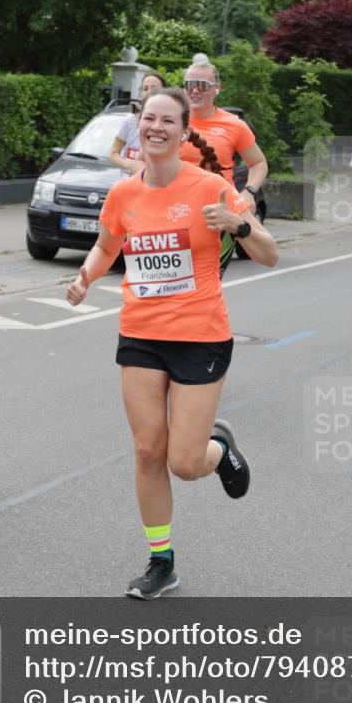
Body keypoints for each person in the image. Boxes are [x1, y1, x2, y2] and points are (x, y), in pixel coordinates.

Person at [66, 88, 278, 598]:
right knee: (146, 451)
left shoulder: (210, 188)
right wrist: (87, 276)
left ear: (185, 133)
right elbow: (106, 242)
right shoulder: (123, 194)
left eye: (168, 121)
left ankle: (219, 449)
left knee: (184, 463)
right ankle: (162, 561)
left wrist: (240, 223)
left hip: (199, 335)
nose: (155, 126)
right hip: (140, 332)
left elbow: (269, 254)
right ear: (139, 127)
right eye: (148, 118)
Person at [179, 60, 269, 275]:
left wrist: (249, 192)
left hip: (218, 213)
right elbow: (145, 160)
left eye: (201, 85)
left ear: (216, 89)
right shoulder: (172, 119)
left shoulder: (234, 125)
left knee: (207, 279)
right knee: (174, 282)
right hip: (176, 210)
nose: (193, 90)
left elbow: (258, 163)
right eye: (189, 84)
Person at [109, 71, 167, 177]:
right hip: (129, 187)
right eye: (145, 88)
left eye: (154, 88)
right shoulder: (130, 120)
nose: (149, 92)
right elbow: (113, 153)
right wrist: (130, 164)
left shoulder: (170, 124)